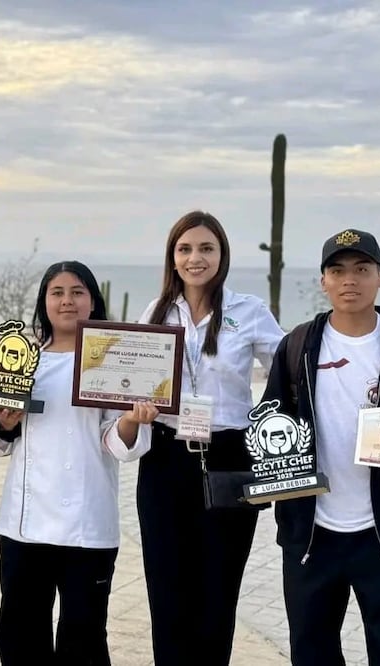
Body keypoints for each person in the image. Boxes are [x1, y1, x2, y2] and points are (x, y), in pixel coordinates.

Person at [260, 228, 380, 666]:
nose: (350, 279)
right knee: (312, 653)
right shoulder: (295, 348)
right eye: (338, 270)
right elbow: (271, 424)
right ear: (323, 281)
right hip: (312, 537)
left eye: (362, 269)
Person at [0, 260, 159, 665]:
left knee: (83, 639)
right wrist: (6, 422)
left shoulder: (115, 363)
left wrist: (132, 419)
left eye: (77, 292)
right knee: (20, 635)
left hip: (87, 525)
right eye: (57, 292)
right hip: (24, 526)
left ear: (93, 302)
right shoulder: (23, 360)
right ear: (44, 302)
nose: (67, 301)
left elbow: (119, 445)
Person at [136, 211, 285, 665]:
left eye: (206, 248)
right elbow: (132, 378)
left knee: (218, 594)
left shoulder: (248, 311)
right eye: (185, 249)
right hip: (165, 459)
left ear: (221, 255)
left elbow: (289, 370)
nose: (195, 258)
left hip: (229, 458)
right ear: (173, 257)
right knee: (167, 591)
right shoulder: (155, 313)